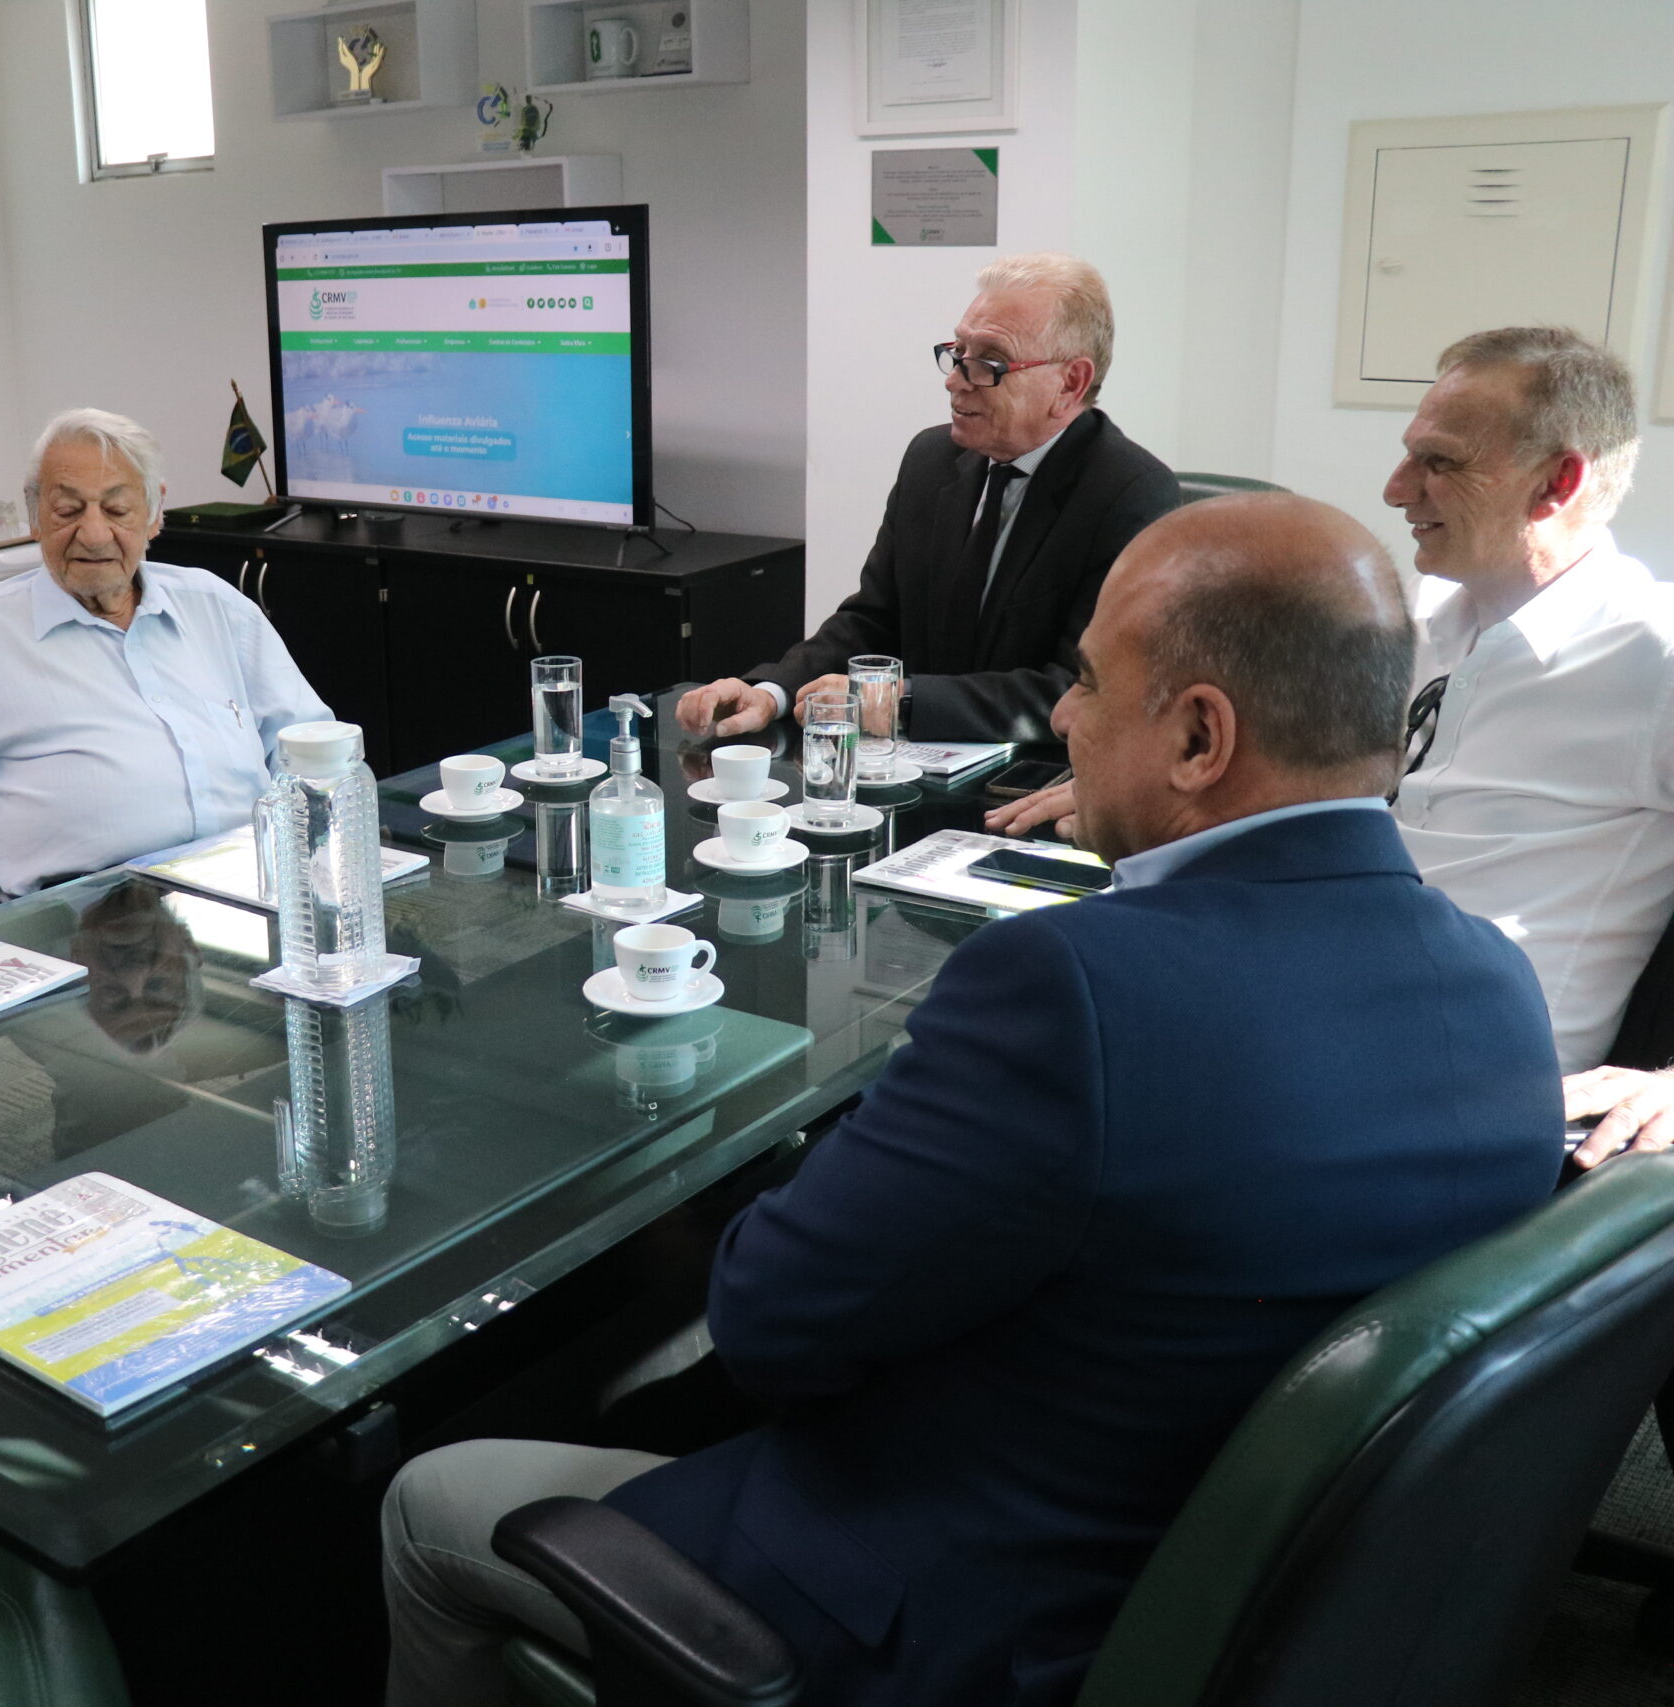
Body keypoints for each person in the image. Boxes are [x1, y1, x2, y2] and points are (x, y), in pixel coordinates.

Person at [381, 494, 1563, 1707]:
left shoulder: (1071, 991)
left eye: (1092, 685)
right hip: (1246, 1605)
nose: (1060, 715)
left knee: (430, 1499)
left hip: (970, 1616)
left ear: (1199, 740)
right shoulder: (1500, 984)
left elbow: (770, 1323)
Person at [992, 327, 1674, 1103]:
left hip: (1455, 1082)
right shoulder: (1430, 617)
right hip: (1305, 994)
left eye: (1439, 463)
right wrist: (1137, 782)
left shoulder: (1654, 651)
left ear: (1558, 482)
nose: (1395, 489)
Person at [675, 253, 1178, 746]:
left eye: (989, 363)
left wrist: (901, 699)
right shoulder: (931, 458)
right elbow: (872, 621)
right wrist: (772, 692)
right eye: (958, 352)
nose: (955, 379)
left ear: (1071, 383)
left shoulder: (1129, 493)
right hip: (911, 768)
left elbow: (1079, 691)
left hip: (1032, 782)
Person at [0, 409, 331, 915]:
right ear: (34, 515)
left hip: (251, 899)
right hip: (86, 925)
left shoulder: (217, 607)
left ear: (155, 514)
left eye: (117, 510)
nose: (93, 534)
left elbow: (310, 751)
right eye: (67, 510)